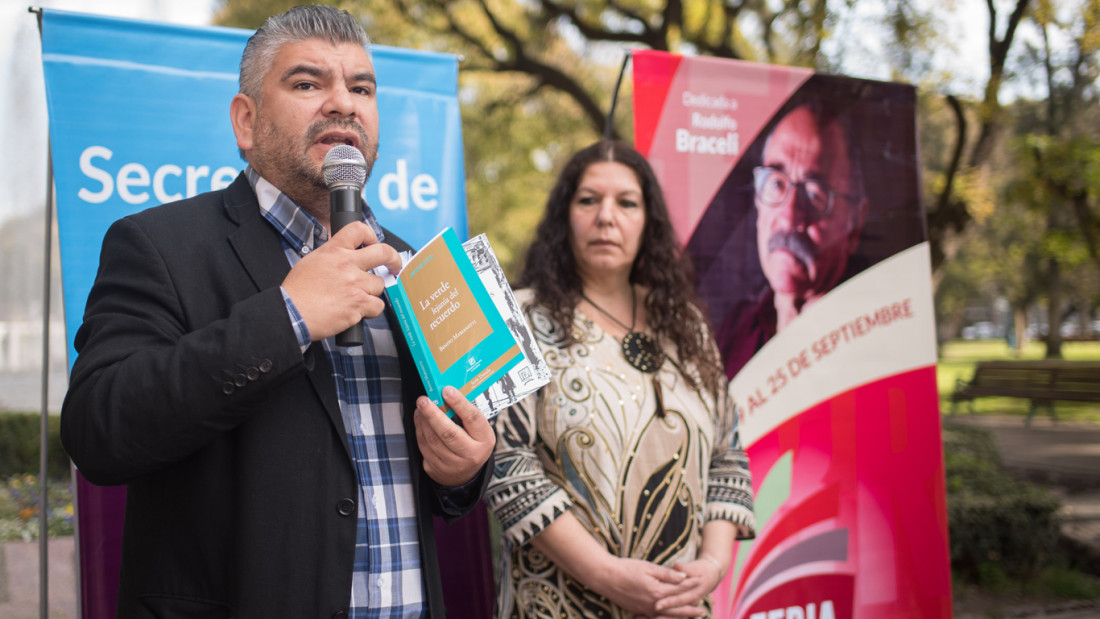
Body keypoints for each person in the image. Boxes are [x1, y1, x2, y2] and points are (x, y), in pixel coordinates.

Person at [59, 6, 494, 617]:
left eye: (362, 88)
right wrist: (288, 315)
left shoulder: (415, 268)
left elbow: (431, 479)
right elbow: (97, 432)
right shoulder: (158, 245)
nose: (343, 102)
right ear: (247, 120)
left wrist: (462, 469)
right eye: (308, 83)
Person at [486, 140, 755, 618]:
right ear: (564, 215)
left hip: (680, 607)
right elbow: (508, 468)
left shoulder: (685, 325)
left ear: (647, 221)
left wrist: (712, 564)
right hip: (559, 605)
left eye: (626, 202)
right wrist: (608, 576)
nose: (606, 216)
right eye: (588, 200)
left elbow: (727, 456)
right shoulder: (519, 319)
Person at [714, 100, 867, 379]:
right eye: (775, 183)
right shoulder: (731, 333)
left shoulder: (875, 346)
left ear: (854, 223)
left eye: (815, 193)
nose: (788, 217)